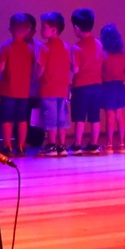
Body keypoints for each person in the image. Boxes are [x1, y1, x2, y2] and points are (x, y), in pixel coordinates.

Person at [0, 13, 36, 158]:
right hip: (24, 90)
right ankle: (21, 147)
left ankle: (7, 146)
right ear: (27, 31)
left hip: (8, 89)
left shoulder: (6, 47)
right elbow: (32, 68)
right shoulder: (30, 49)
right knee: (22, 119)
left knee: (7, 119)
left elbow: (1, 68)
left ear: (10, 29)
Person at [37, 12, 73, 156]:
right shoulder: (66, 46)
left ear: (53, 30)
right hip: (62, 89)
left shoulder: (44, 48)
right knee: (61, 118)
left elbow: (41, 69)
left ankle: (52, 145)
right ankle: (62, 146)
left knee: (50, 118)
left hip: (48, 89)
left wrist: (36, 79)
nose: (41, 30)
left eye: (43, 27)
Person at [69, 8, 104, 155]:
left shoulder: (76, 47)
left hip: (81, 86)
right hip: (97, 85)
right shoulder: (99, 44)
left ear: (77, 28)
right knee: (95, 116)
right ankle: (94, 143)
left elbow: (76, 69)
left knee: (80, 117)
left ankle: (77, 144)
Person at [98, 23, 125, 153]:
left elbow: (100, 70)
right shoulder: (122, 53)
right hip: (120, 86)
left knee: (109, 116)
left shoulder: (103, 54)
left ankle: (109, 144)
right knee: (120, 116)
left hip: (108, 86)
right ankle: (122, 144)